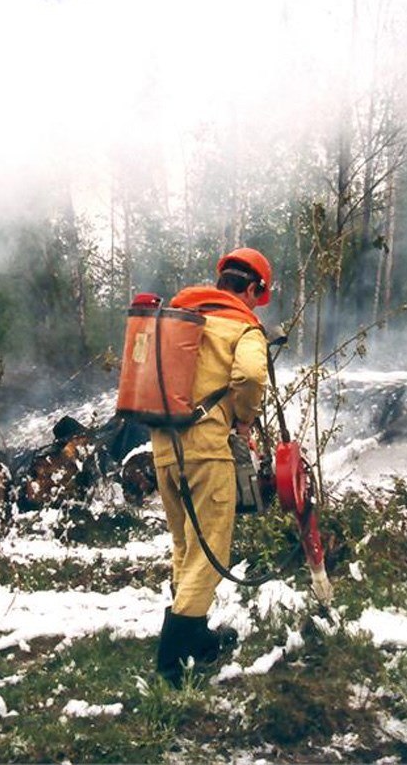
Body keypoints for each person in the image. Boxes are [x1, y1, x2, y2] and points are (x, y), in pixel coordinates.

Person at [152, 247, 271, 687]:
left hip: (164, 446)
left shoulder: (180, 315)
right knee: (212, 549)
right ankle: (173, 662)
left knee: (185, 545)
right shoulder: (244, 324)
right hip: (207, 448)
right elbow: (251, 378)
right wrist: (243, 419)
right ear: (255, 288)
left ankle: (197, 638)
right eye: (260, 294)